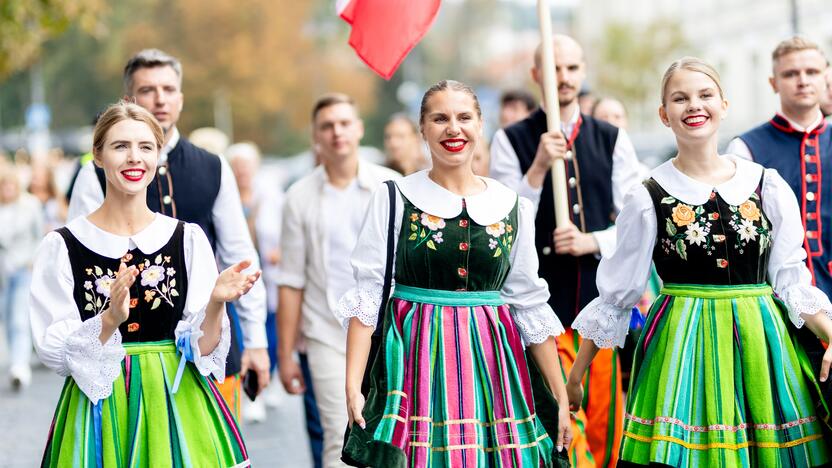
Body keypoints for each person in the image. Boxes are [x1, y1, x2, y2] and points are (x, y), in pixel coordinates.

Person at [567, 57, 832, 467]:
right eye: (680, 98)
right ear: (663, 114)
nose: (694, 105)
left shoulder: (767, 184)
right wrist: (575, 377)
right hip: (681, 352)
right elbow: (617, 297)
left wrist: (831, 334)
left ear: (723, 105)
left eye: (705, 95)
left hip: (762, 347)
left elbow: (792, 281)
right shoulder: (648, 195)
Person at [337, 79, 570, 467]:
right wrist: (352, 385)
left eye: (464, 117)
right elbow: (368, 294)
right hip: (415, 362)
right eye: (440, 118)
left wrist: (560, 396)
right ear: (423, 129)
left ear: (481, 125)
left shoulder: (511, 205)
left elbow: (528, 302)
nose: (453, 128)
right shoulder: (394, 197)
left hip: (493, 364)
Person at [31, 101, 260, 466]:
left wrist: (216, 302)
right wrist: (108, 321)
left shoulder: (187, 238)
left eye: (145, 147)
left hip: (175, 403)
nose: (134, 158)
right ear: (98, 156)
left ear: (157, 155)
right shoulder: (63, 245)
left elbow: (201, 349)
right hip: (101, 410)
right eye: (120, 146)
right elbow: (56, 354)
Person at [67, 49, 270, 416]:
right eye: (147, 90)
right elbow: (80, 259)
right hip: (124, 355)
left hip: (208, 339)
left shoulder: (212, 166)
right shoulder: (93, 174)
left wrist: (256, 340)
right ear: (129, 100)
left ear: (180, 97)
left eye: (168, 89)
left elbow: (241, 256)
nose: (159, 99)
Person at [490, 33, 641, 467]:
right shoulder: (511, 140)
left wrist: (592, 240)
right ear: (536, 75)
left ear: (583, 72)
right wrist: (537, 168)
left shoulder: (610, 138)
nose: (564, 77)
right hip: (541, 307)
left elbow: (634, 223)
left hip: (599, 305)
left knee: (606, 424)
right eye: (554, 68)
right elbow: (502, 222)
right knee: (561, 423)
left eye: (572, 68)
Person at [277, 93, 399, 468]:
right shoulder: (299, 198)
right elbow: (291, 280)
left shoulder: (391, 187)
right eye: (327, 126)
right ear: (316, 135)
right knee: (339, 434)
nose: (337, 132)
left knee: (394, 435)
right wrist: (285, 354)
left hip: (389, 332)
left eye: (344, 123)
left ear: (359, 128)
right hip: (327, 333)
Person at [727, 37, 832, 297]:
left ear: (825, 78)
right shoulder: (744, 149)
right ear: (774, 83)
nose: (803, 80)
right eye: (790, 73)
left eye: (812, 72)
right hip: (774, 297)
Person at [0, 164, 43, 390]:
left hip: (24, 268)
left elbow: (40, 235)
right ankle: (16, 358)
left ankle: (19, 366)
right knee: (7, 318)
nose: (7, 189)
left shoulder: (30, 205)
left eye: (10, 185)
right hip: (3, 273)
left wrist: (33, 261)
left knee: (19, 318)